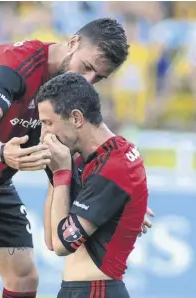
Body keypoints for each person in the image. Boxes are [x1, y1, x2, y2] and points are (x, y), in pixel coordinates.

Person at [0, 18, 141, 298]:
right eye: (87, 68)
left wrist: (120, 197)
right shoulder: (14, 63)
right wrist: (1, 151)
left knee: (24, 276)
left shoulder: (68, 94)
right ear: (73, 43)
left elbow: (76, 151)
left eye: (99, 77)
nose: (89, 81)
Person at [38, 72, 149, 297]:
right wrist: (56, 173)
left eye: (48, 123)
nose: (44, 134)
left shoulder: (114, 166)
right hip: (76, 289)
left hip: (96, 290)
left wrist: (61, 173)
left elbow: (61, 244)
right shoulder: (88, 159)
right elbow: (50, 239)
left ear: (77, 118)